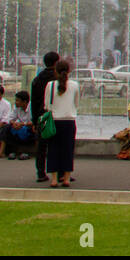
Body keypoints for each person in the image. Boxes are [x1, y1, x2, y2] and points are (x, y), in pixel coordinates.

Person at [45, 59, 79, 187]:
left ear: (55, 70)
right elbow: (76, 104)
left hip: (54, 121)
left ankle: (54, 179)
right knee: (68, 150)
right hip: (69, 121)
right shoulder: (75, 85)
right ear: (69, 71)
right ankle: (66, 178)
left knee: (53, 149)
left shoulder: (50, 85)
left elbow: (46, 105)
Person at [30, 51, 59, 182]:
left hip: (42, 115)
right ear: (56, 62)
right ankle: (60, 172)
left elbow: (34, 102)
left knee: (42, 146)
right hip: (57, 114)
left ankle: (40, 172)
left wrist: (34, 120)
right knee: (58, 145)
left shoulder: (37, 79)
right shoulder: (57, 78)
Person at [0, 91, 36, 159]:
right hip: (20, 128)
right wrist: (14, 123)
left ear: (24, 102)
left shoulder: (32, 107)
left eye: (17, 100)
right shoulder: (17, 107)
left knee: (33, 129)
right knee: (6, 127)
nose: (16, 102)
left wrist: (22, 124)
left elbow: (35, 121)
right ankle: (2, 152)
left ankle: (26, 152)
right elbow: (10, 119)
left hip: (29, 128)